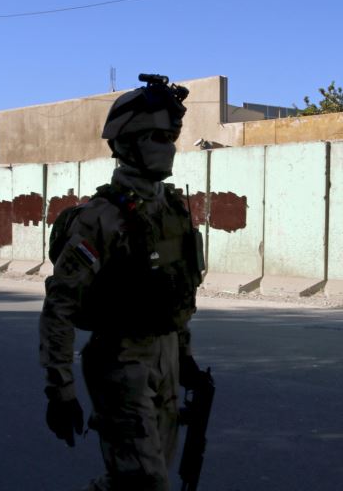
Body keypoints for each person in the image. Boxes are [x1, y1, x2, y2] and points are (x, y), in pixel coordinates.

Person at [39, 74, 206, 491]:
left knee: (146, 478)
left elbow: (176, 289)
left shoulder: (173, 210)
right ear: (126, 143)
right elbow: (59, 307)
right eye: (157, 137)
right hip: (121, 360)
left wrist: (183, 356)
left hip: (165, 355)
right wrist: (59, 389)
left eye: (172, 137)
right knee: (145, 483)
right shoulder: (101, 219)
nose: (168, 147)